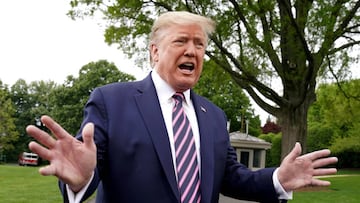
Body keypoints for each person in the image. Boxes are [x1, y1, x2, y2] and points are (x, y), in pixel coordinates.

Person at [26, 11, 338, 203]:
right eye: (181, 41)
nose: (192, 50)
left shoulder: (214, 116)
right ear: (154, 51)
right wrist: (83, 178)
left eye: (199, 45)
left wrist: (277, 180)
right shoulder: (112, 101)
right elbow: (90, 166)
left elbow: (231, 177)